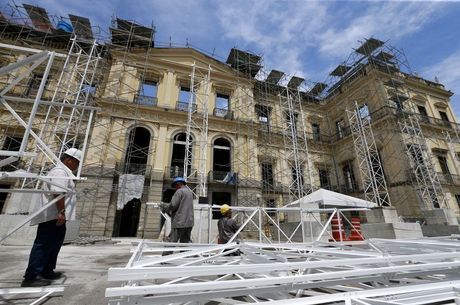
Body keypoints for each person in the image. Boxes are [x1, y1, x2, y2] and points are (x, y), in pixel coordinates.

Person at [21, 148, 82, 287]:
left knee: (54, 245)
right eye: (76, 163)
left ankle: (47, 270)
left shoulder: (63, 171)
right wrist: (61, 211)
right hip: (53, 216)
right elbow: (58, 192)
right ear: (69, 160)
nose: (77, 166)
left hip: (58, 217)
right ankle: (32, 276)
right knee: (43, 244)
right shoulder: (60, 172)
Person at [160, 177, 194, 243]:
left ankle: (167, 253)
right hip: (189, 223)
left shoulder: (179, 191)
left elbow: (173, 205)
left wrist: (163, 205)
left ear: (178, 184)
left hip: (179, 223)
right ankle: (184, 253)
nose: (175, 188)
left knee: (171, 242)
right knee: (184, 243)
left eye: (175, 186)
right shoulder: (190, 193)